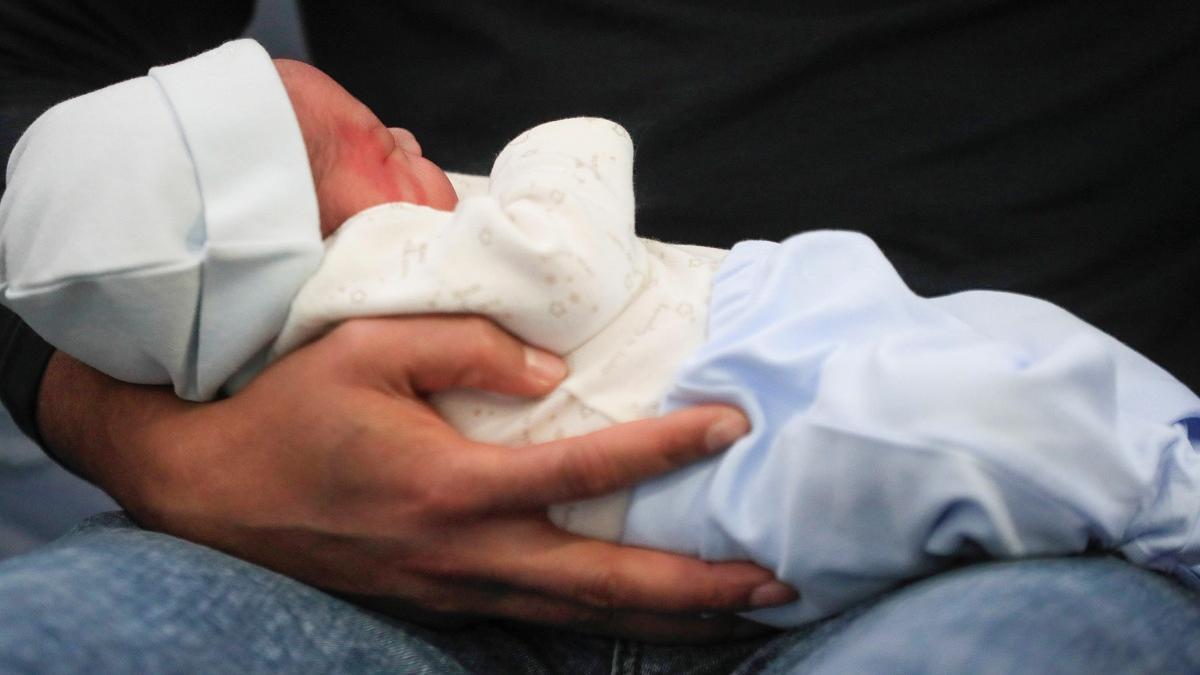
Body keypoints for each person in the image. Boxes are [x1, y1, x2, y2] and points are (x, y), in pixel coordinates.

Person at [1, 1, 1198, 672]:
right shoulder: (389, 264)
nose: (403, 132)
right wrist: (167, 453)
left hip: (996, 578)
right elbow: (34, 73)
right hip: (353, 541)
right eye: (359, 142)